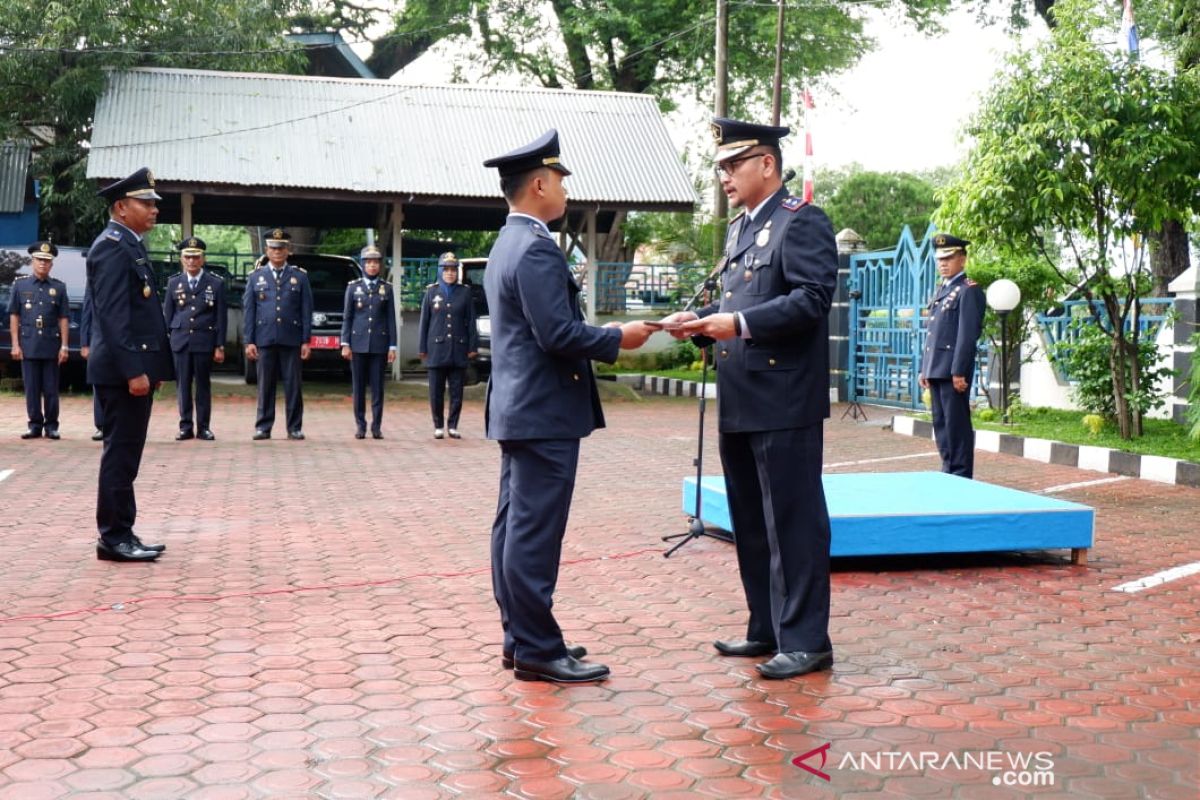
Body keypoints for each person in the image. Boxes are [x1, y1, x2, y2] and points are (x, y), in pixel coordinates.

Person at [664, 118, 838, 679]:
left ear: (767, 164)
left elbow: (811, 300)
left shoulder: (802, 222)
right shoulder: (740, 231)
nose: (724, 177)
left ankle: (808, 640)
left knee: (793, 521)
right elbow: (738, 302)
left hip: (784, 401)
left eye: (733, 165)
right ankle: (766, 627)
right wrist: (702, 321)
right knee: (752, 522)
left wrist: (735, 322)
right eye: (719, 167)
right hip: (740, 398)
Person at [482, 129, 654, 684]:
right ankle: (536, 647)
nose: (563, 189)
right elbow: (556, 334)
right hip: (541, 410)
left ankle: (522, 634)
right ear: (538, 184)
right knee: (533, 531)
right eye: (558, 179)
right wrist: (617, 338)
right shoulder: (534, 248)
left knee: (514, 526)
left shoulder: (506, 243)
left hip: (520, 407)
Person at [86, 167, 173, 562]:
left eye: (154, 203)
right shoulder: (111, 247)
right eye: (146, 203)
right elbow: (114, 318)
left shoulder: (129, 244)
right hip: (121, 374)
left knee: (126, 455)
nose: (154, 209)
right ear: (121, 207)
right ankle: (113, 537)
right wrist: (133, 371)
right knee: (120, 455)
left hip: (134, 371)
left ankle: (123, 531)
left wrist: (151, 369)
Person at [918, 234, 985, 478]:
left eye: (949, 258)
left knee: (956, 427)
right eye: (940, 259)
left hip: (952, 372)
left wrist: (958, 371)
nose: (943, 263)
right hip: (936, 368)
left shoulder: (969, 291)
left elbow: (967, 335)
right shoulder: (942, 290)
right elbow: (932, 333)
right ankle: (948, 470)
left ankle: (960, 475)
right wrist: (924, 368)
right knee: (942, 426)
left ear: (962, 260)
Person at [243, 229, 313, 440]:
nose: (277, 252)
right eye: (273, 248)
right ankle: (263, 427)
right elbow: (249, 311)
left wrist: (306, 340)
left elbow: (306, 310)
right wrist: (249, 340)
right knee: (265, 385)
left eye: (281, 248)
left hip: (291, 338)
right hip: (264, 338)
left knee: (293, 385)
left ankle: (294, 427)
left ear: (288, 250)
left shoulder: (299, 277)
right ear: (267, 250)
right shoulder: (256, 277)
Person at [163, 236, 226, 441]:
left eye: (196, 257)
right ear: (182, 259)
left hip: (204, 341)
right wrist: (166, 343)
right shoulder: (174, 283)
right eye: (187, 257)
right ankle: (185, 426)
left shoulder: (215, 283)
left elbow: (221, 317)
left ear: (203, 259)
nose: (191, 261)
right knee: (183, 386)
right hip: (180, 341)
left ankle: (204, 427)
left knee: (203, 385)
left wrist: (220, 345)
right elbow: (168, 315)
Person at [7, 241, 69, 439]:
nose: (43, 264)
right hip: (29, 344)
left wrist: (65, 346)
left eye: (47, 261)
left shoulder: (58, 287)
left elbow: (63, 318)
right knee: (31, 387)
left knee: (51, 388)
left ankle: (51, 425)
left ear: (51, 265)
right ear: (32, 261)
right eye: (39, 260)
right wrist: (15, 344)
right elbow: (14, 316)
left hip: (51, 344)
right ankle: (34, 424)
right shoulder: (20, 285)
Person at [418, 251, 478, 439]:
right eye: (446, 269)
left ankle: (453, 425)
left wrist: (472, 346)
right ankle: (438, 425)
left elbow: (471, 321)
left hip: (458, 347)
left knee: (457, 390)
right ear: (440, 271)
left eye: (453, 270)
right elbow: (424, 322)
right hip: (436, 348)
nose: (450, 273)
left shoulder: (465, 292)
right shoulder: (431, 291)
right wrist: (422, 348)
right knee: (436, 390)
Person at [340, 245, 397, 439]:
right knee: (358, 387)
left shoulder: (386, 289)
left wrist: (392, 345)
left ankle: (376, 426)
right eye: (369, 262)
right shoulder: (353, 287)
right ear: (363, 264)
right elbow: (347, 318)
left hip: (379, 345)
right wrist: (345, 343)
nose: (372, 266)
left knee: (378, 388)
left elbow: (391, 319)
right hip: (358, 344)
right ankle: (360, 425)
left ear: (380, 265)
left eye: (376, 262)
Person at [79, 288, 104, 441]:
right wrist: (84, 343)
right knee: (99, 383)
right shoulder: (96, 271)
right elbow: (87, 310)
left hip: (125, 339)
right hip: (98, 338)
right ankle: (101, 425)